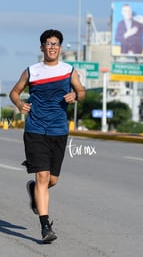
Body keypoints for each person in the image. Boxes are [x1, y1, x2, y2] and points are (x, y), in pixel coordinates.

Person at [9, 29, 85, 243]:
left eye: (55, 44)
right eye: (48, 43)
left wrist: (75, 95)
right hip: (35, 129)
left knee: (52, 180)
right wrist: (19, 103)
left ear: (60, 48)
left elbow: (82, 91)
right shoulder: (32, 71)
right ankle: (45, 227)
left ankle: (34, 191)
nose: (52, 47)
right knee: (42, 177)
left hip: (59, 130)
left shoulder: (69, 70)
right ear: (42, 47)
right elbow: (14, 92)